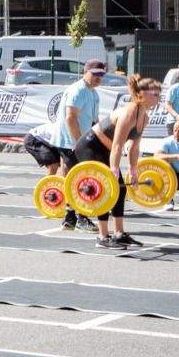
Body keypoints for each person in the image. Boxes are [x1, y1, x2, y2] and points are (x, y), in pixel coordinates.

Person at [73, 74, 159, 249]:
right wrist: (113, 170)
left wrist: (133, 170)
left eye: (159, 94)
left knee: (121, 188)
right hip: (90, 146)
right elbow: (118, 146)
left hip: (106, 149)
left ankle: (119, 234)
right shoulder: (128, 113)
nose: (158, 97)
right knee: (105, 188)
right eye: (154, 93)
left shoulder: (145, 117)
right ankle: (102, 237)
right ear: (141, 94)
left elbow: (134, 147)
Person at [54, 60, 107, 233]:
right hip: (70, 141)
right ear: (86, 72)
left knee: (77, 177)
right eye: (95, 74)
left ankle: (70, 219)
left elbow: (95, 121)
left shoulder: (94, 93)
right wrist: (78, 143)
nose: (98, 77)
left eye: (101, 74)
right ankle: (80, 218)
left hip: (80, 141)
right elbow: (70, 117)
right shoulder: (79, 90)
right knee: (81, 178)